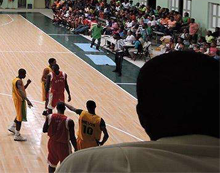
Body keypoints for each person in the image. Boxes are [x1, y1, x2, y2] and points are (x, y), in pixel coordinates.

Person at [58, 52, 219, 172]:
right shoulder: (98, 122)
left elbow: (75, 111)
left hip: (84, 145)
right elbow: (105, 135)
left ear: (141, 116)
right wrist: (101, 142)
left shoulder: (83, 165)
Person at [43, 102, 77, 172]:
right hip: (63, 146)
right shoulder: (69, 121)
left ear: (56, 108)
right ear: (64, 109)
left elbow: (44, 130)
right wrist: (76, 148)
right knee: (66, 165)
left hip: (52, 143)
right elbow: (72, 137)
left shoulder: (49, 117)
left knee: (52, 164)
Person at [8, 68, 33, 141]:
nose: (25, 75)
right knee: (20, 118)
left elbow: (22, 89)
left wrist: (27, 84)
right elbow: (21, 91)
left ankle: (12, 127)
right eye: (24, 74)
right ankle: (17, 135)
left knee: (19, 114)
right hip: (20, 101)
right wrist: (27, 100)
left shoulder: (15, 80)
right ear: (21, 74)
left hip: (17, 99)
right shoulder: (18, 81)